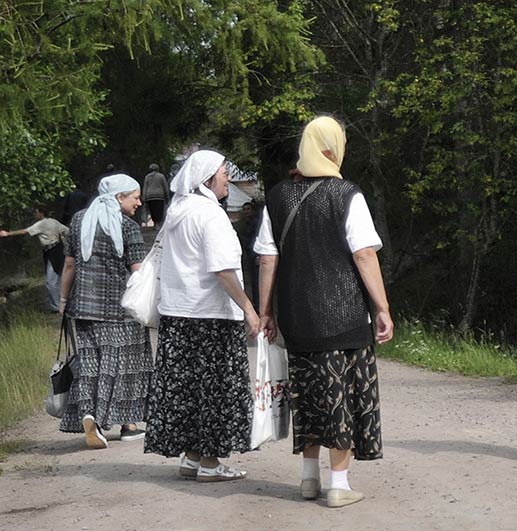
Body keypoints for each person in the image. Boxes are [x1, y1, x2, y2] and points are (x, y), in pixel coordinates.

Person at [256, 115, 394, 508]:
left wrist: (266, 311)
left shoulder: (277, 196)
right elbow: (365, 255)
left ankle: (308, 479)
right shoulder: (347, 194)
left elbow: (268, 259)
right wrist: (382, 308)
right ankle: (339, 484)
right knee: (343, 397)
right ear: (333, 150)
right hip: (345, 316)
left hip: (297, 317)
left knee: (310, 394)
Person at [144, 150, 259, 482]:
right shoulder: (210, 215)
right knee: (215, 389)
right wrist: (249, 309)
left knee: (189, 389)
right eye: (223, 172)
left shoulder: (178, 211)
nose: (227, 178)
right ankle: (210, 462)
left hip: (178, 315)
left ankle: (191, 457)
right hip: (211, 315)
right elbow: (223, 270)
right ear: (207, 178)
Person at [58, 174, 153, 449]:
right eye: (135, 196)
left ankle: (91, 416)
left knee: (90, 364)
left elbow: (69, 266)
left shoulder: (78, 222)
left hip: (84, 308)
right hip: (120, 310)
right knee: (124, 365)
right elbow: (138, 271)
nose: (139, 202)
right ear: (119, 197)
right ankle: (128, 425)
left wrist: (63, 301)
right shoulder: (127, 226)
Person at [1, 206, 69, 312]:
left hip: (52, 251)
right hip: (58, 250)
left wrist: (8, 234)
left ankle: (56, 306)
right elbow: (67, 231)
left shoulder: (42, 224)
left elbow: (25, 231)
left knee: (50, 281)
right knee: (58, 278)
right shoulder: (54, 221)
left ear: (41, 213)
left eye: (36, 212)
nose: (34, 214)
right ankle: (63, 303)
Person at [234, 201, 261, 308]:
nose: (246, 212)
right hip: (247, 255)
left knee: (258, 281)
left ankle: (258, 305)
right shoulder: (241, 224)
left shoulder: (257, 223)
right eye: (244, 210)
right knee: (250, 281)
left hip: (256, 254)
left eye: (248, 209)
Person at [142, 163, 170, 229]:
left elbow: (145, 187)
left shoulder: (147, 177)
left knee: (152, 210)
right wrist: (167, 197)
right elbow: (165, 187)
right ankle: (158, 224)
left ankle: (155, 223)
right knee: (159, 210)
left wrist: (144, 197)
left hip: (150, 196)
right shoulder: (161, 176)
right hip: (159, 196)